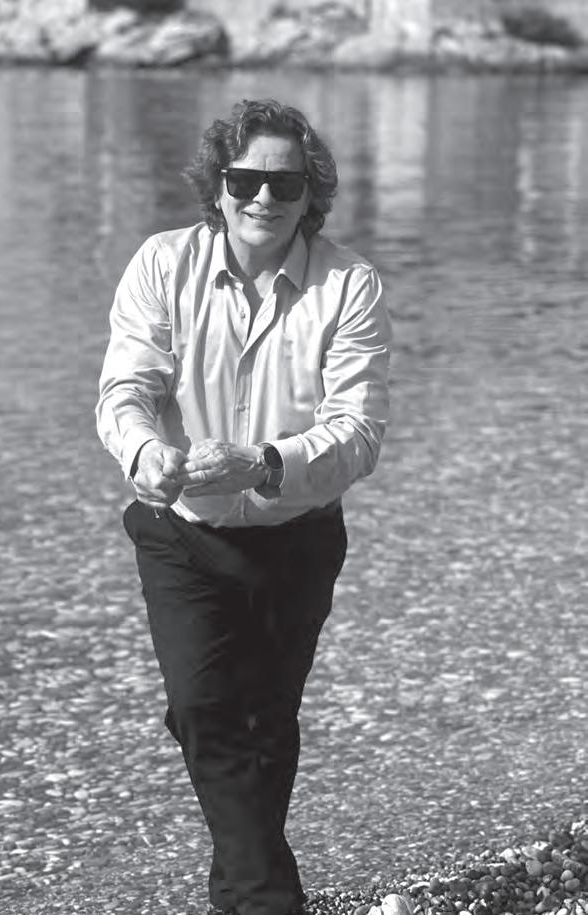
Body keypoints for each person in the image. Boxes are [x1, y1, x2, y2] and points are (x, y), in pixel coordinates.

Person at [96, 98, 391, 915]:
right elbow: (127, 387)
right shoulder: (163, 264)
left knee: (264, 721)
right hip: (181, 535)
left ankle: (241, 895)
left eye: (285, 183)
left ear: (310, 193)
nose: (264, 197)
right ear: (218, 187)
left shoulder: (351, 285)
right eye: (246, 180)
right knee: (202, 707)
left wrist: (262, 461)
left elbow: (359, 432)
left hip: (299, 538)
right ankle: (269, 899)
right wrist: (144, 451)